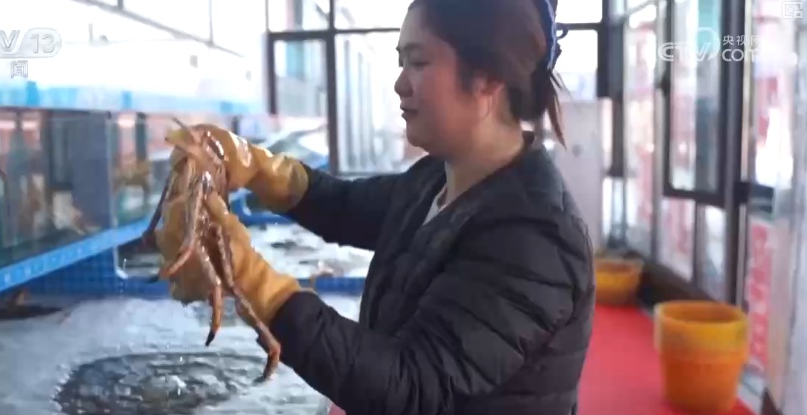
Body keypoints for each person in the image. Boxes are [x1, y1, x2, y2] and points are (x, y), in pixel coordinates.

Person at [172, 0, 595, 413]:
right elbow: (342, 205)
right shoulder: (436, 178)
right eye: (400, 62)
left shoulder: (535, 235)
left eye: (419, 62)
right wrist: (253, 164)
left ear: (486, 77)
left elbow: (411, 387)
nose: (400, 84)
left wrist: (249, 277)